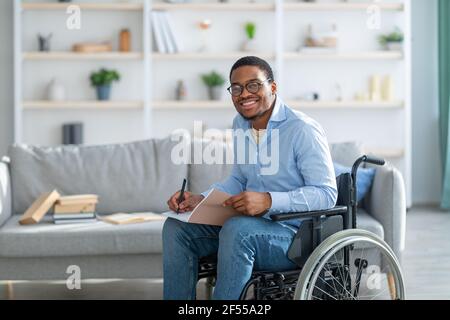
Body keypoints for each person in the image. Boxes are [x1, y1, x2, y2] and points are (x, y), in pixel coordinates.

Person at [163, 56, 337, 300]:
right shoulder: (241, 124)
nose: (244, 94)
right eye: (236, 88)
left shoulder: (302, 129)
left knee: (238, 229)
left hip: (295, 236)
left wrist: (269, 200)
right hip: (249, 226)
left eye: (253, 85)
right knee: (176, 228)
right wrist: (200, 198)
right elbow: (240, 179)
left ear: (272, 87)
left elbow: (326, 194)